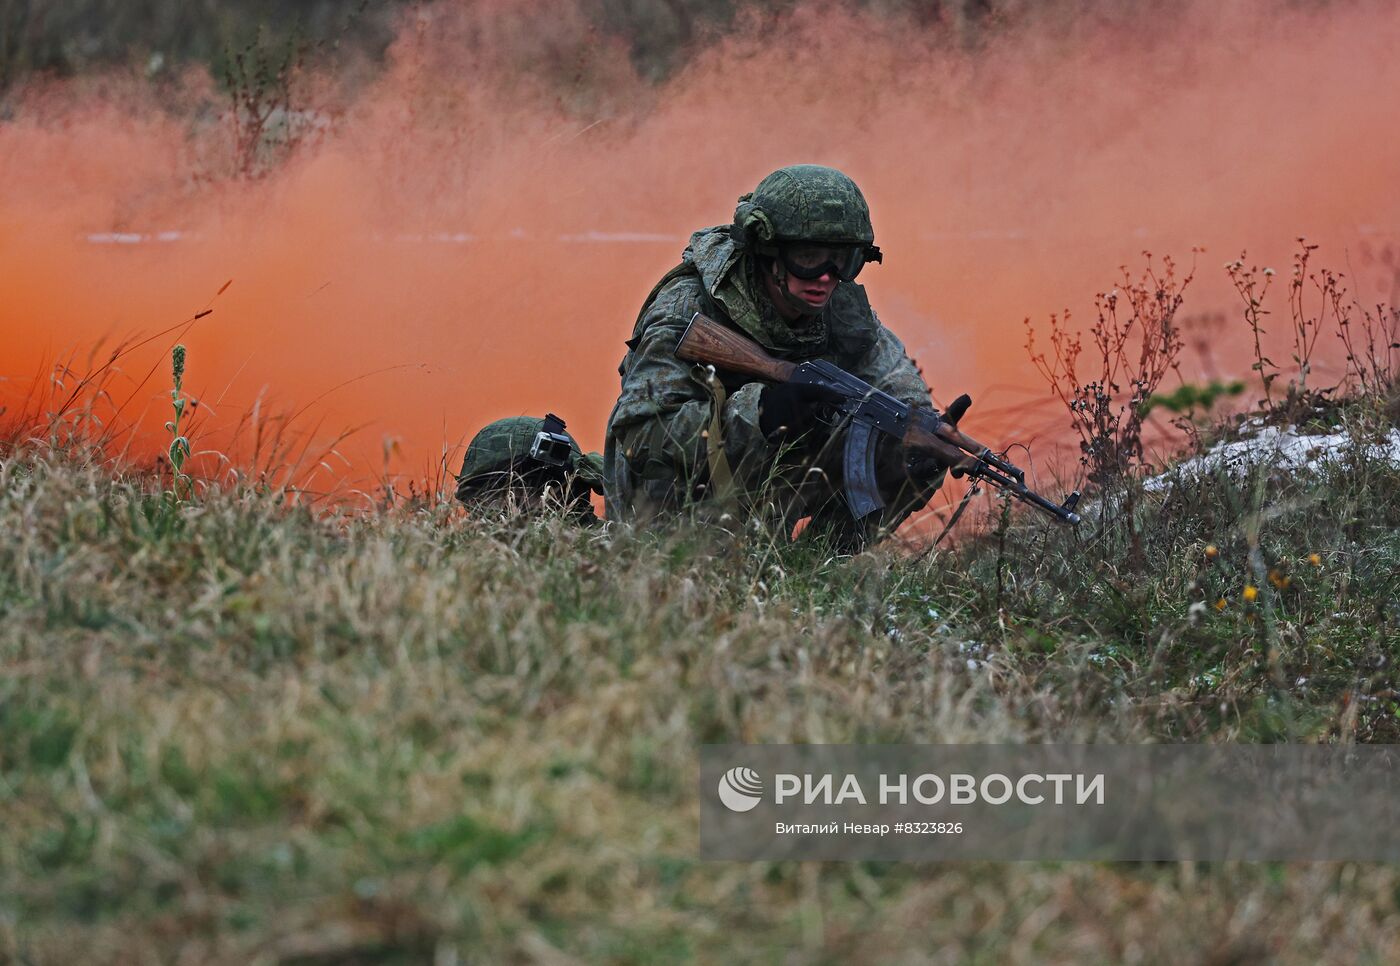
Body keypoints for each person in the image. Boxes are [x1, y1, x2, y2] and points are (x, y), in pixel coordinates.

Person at [603, 164, 948, 551]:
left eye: (842, 260)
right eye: (808, 257)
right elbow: (640, 435)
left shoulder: (842, 310)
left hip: (765, 488)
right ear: (768, 252)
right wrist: (761, 414)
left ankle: (816, 566)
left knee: (907, 457)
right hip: (666, 512)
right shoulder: (687, 308)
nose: (826, 276)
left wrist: (921, 423)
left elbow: (893, 376)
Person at [456, 414, 604, 523]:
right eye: (500, 487)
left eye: (541, 488)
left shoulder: (602, 545)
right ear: (474, 500)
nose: (516, 501)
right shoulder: (460, 548)